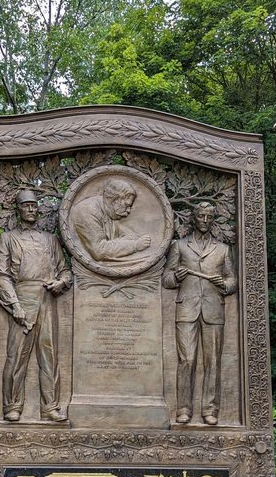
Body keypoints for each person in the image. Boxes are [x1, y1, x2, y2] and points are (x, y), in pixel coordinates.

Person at [0, 190, 72, 422]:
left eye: (34, 206)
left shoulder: (51, 239)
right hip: (22, 298)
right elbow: (1, 275)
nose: (31, 209)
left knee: (49, 356)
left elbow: (65, 271)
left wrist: (61, 283)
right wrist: (14, 304)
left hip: (48, 299)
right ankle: (12, 406)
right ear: (18, 209)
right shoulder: (7, 239)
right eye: (26, 205)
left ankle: (50, 407)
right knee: (16, 356)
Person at [162, 202, 237, 425]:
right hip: (186, 309)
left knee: (213, 361)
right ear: (194, 218)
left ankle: (210, 410)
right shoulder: (180, 246)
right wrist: (177, 277)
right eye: (201, 216)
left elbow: (232, 281)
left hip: (214, 309)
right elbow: (166, 278)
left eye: (209, 217)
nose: (204, 221)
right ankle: (183, 409)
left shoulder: (223, 249)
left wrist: (223, 284)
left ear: (213, 220)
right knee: (187, 360)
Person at [70, 177, 152, 265]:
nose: (128, 211)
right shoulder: (87, 211)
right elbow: (99, 251)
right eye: (127, 205)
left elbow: (130, 235)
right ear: (115, 200)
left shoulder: (110, 211)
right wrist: (134, 245)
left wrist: (128, 240)